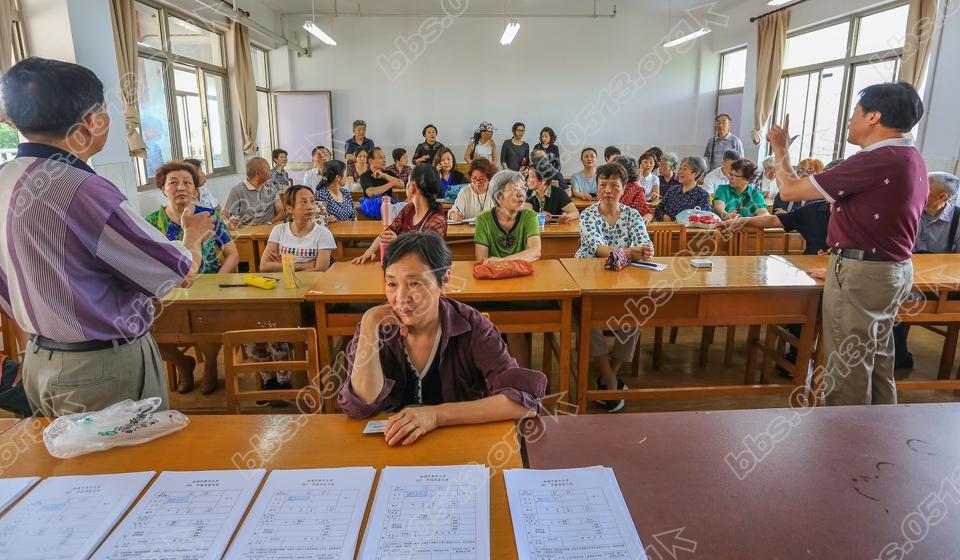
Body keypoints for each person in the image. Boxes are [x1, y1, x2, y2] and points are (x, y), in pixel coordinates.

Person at [0, 57, 214, 416]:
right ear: (90, 124)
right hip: (99, 368)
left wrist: (28, 348)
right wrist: (192, 238)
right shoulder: (83, 190)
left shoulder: (5, 178)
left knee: (67, 469)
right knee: (126, 468)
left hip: (40, 359)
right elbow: (179, 272)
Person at [769, 81, 927, 406]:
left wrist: (781, 150)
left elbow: (789, 192)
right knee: (878, 363)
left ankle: (845, 448)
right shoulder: (911, 156)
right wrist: (844, 263)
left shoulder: (876, 159)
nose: (850, 120)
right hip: (887, 270)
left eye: (855, 112)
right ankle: (879, 442)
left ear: (874, 117)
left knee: (847, 370)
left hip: (865, 274)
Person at [338, 231, 545, 445]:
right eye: (392, 284)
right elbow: (361, 405)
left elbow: (523, 402)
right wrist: (369, 322)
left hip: (459, 448)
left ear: (444, 279)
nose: (400, 298)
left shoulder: (471, 326)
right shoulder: (377, 326)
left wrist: (437, 415)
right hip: (392, 448)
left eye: (415, 283)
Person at [145, 161, 238, 394]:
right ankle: (182, 363)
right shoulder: (152, 222)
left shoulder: (209, 216)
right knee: (149, 332)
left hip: (208, 285)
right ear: (163, 188)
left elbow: (232, 254)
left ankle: (209, 366)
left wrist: (218, 281)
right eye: (173, 183)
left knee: (207, 325)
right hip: (168, 290)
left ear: (195, 189)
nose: (181, 188)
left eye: (187, 183)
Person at [576, 163, 654, 412]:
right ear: (597, 188)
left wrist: (641, 251)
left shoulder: (632, 215)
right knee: (587, 317)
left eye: (614, 186)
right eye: (602, 185)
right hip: (587, 277)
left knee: (637, 313)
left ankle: (611, 372)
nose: (608, 190)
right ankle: (609, 378)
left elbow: (644, 248)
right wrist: (631, 252)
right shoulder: (588, 215)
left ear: (624, 188)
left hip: (625, 281)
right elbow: (598, 248)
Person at [475, 170, 542, 367]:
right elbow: (482, 260)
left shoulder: (529, 216)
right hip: (492, 286)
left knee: (515, 320)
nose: (521, 193)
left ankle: (518, 377)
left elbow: (536, 251)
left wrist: (502, 262)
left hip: (522, 286)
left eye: (523, 188)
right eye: (514, 190)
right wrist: (499, 264)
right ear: (498, 196)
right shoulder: (484, 220)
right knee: (486, 317)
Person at [893, 172, 960, 370]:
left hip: (942, 285)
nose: (916, 192)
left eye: (925, 189)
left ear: (942, 197)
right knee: (891, 297)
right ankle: (897, 355)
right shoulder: (907, 211)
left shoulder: (957, 219)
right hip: (906, 279)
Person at [352, 164, 447, 264]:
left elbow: (428, 255)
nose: (406, 185)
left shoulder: (437, 219)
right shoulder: (408, 209)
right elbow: (387, 233)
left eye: (408, 183)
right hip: (402, 267)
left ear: (413, 187)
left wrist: (399, 242)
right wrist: (369, 251)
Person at [261, 185, 336, 273]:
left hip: (312, 284)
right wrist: (304, 266)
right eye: (304, 202)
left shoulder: (323, 233)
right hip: (284, 284)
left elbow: (320, 269)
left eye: (312, 201)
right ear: (289, 208)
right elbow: (264, 266)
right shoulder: (279, 230)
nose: (310, 207)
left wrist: (283, 266)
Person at [223, 157, 286, 228]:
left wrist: (269, 224)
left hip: (269, 231)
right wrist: (229, 222)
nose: (270, 173)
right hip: (249, 233)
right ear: (257, 173)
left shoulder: (271, 187)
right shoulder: (237, 190)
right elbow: (224, 215)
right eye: (268, 169)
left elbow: (281, 213)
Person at [655, 156, 711, 222]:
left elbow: (705, 218)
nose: (680, 172)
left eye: (684, 169)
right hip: (668, 229)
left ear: (696, 173)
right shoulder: (672, 190)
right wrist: (665, 217)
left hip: (690, 231)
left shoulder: (703, 195)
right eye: (680, 168)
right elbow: (659, 209)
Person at [358, 147, 404, 220]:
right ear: (370, 161)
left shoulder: (388, 173)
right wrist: (390, 184)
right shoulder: (364, 176)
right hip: (373, 212)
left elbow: (401, 184)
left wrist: (384, 175)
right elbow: (370, 192)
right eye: (380, 158)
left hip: (388, 211)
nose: (384, 160)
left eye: (384, 157)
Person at [612, 156, 653, 222]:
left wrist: (643, 221)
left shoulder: (636, 189)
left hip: (628, 225)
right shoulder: (609, 186)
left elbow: (647, 213)